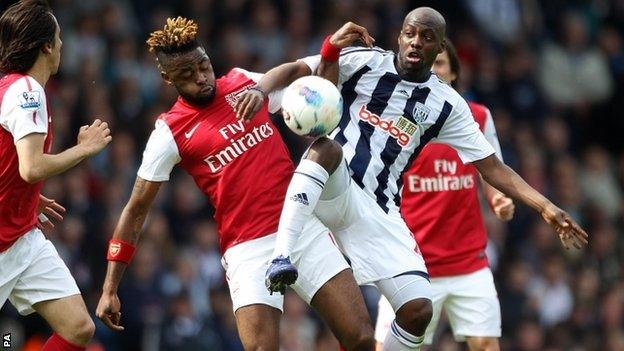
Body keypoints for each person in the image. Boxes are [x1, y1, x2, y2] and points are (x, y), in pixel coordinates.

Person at [235, 7, 587, 351]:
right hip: (335, 183)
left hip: (379, 208)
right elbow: (301, 71)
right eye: (410, 33)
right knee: (327, 148)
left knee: (418, 310)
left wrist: (545, 206)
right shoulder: (365, 61)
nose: (416, 42)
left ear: (440, 47)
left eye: (427, 37)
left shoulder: (446, 104)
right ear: (399, 36)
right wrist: (261, 89)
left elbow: (493, 167)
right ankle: (281, 257)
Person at [94, 17, 375, 351]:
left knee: (360, 337)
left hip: (300, 227)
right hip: (247, 247)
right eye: (188, 75)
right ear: (168, 79)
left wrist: (325, 50)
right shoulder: (169, 132)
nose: (201, 78)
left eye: (204, 66)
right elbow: (136, 209)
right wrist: (110, 288)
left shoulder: (242, 82)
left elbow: (303, 74)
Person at [374, 39, 514, 351]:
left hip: (469, 262)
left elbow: (490, 169)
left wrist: (498, 199)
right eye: (428, 64)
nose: (434, 70)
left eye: (440, 64)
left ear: (453, 74)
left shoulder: (478, 117)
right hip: (413, 264)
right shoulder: (395, 119)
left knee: (487, 344)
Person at [0, 1, 112, 350]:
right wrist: (84, 150)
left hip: (21, 234)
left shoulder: (12, 87)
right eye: (59, 37)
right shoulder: (27, 92)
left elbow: (20, 170)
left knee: (78, 327)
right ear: (46, 46)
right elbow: (31, 166)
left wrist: (23, 194)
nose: (64, 45)